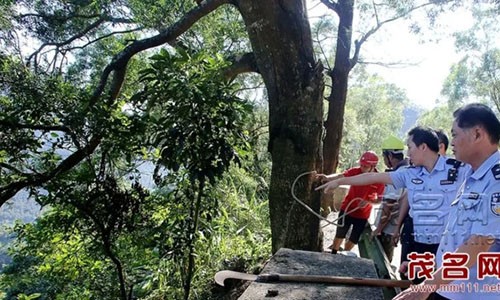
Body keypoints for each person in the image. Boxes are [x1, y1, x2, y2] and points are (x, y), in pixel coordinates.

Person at [316, 126, 469, 281]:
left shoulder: (459, 170)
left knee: (444, 288)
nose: (408, 153)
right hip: (418, 243)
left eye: (410, 147)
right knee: (413, 282)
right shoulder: (409, 173)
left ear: (423, 147)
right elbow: (373, 177)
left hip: (447, 245)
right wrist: (340, 181)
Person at [393, 103, 500, 300]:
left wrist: (425, 286)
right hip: (449, 286)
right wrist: (432, 266)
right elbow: (457, 236)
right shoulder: (470, 173)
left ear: (477, 134)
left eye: (456, 135)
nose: (451, 143)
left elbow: (478, 243)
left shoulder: (496, 180)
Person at [316, 151, 385, 254]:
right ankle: (334, 252)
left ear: (373, 166)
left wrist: (368, 201)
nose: (362, 168)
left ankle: (345, 254)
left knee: (354, 238)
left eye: (365, 166)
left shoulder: (379, 180)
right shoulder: (355, 172)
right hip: (347, 209)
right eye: (361, 165)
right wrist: (328, 178)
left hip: (362, 214)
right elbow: (341, 176)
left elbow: (379, 200)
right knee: (340, 233)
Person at [372, 135, 409, 263]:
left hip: (387, 230)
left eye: (384, 156)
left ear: (390, 156)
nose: (384, 160)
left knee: (382, 263)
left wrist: (378, 229)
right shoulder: (407, 171)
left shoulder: (397, 176)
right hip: (394, 228)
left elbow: (389, 205)